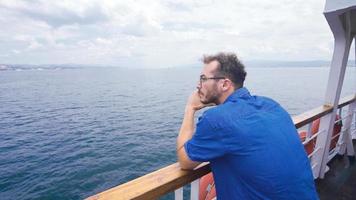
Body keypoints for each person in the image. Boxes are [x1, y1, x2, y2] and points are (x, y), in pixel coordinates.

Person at [176, 52, 319, 199]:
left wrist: (190, 108)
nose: (198, 85)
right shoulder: (271, 105)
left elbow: (185, 161)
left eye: (203, 79)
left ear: (225, 84)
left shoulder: (216, 119)